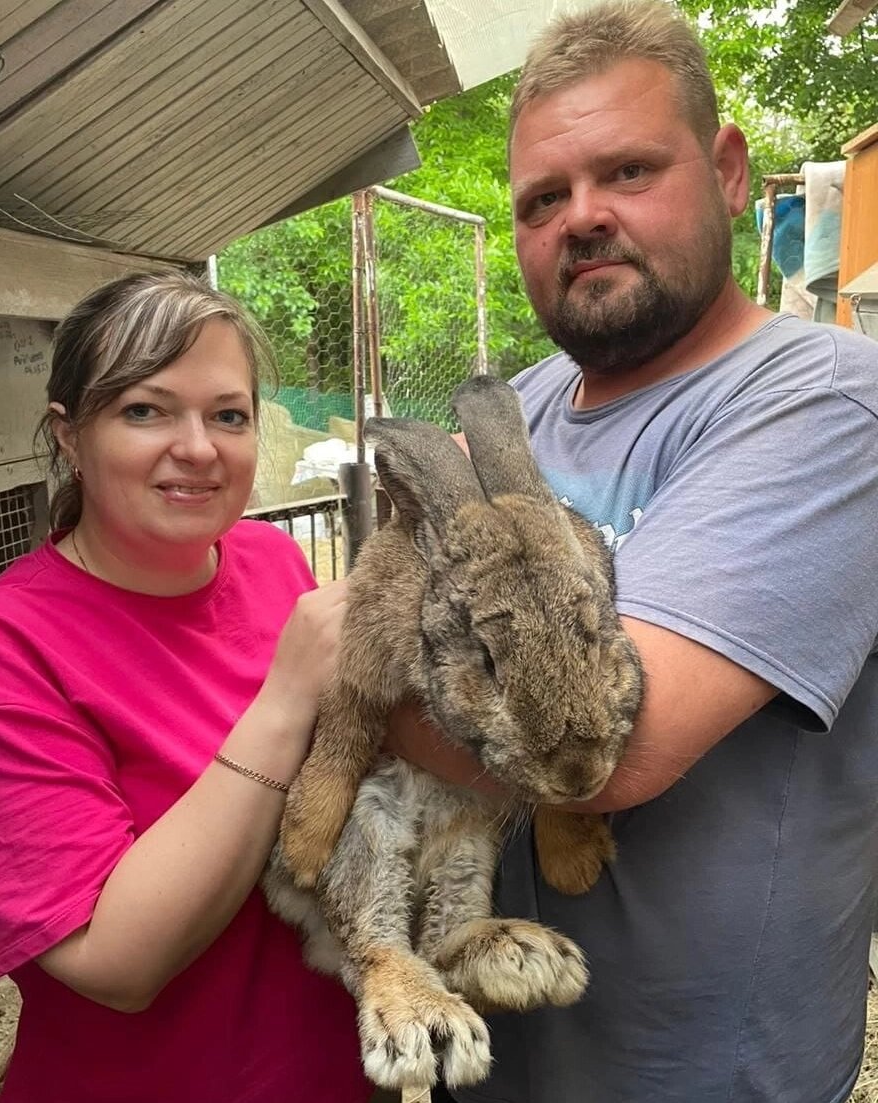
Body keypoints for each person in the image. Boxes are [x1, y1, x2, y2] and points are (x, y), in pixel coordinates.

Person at [388, 2, 878, 1101]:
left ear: (729, 171)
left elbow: (604, 748)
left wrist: (343, 682)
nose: (583, 217)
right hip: (498, 1050)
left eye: (629, 171)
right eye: (542, 198)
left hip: (698, 1071)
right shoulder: (516, 407)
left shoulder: (826, 405)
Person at [0, 271, 372, 1103]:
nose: (197, 447)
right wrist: (286, 699)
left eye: (228, 415)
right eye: (145, 410)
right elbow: (115, 962)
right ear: (68, 434)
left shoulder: (272, 563)